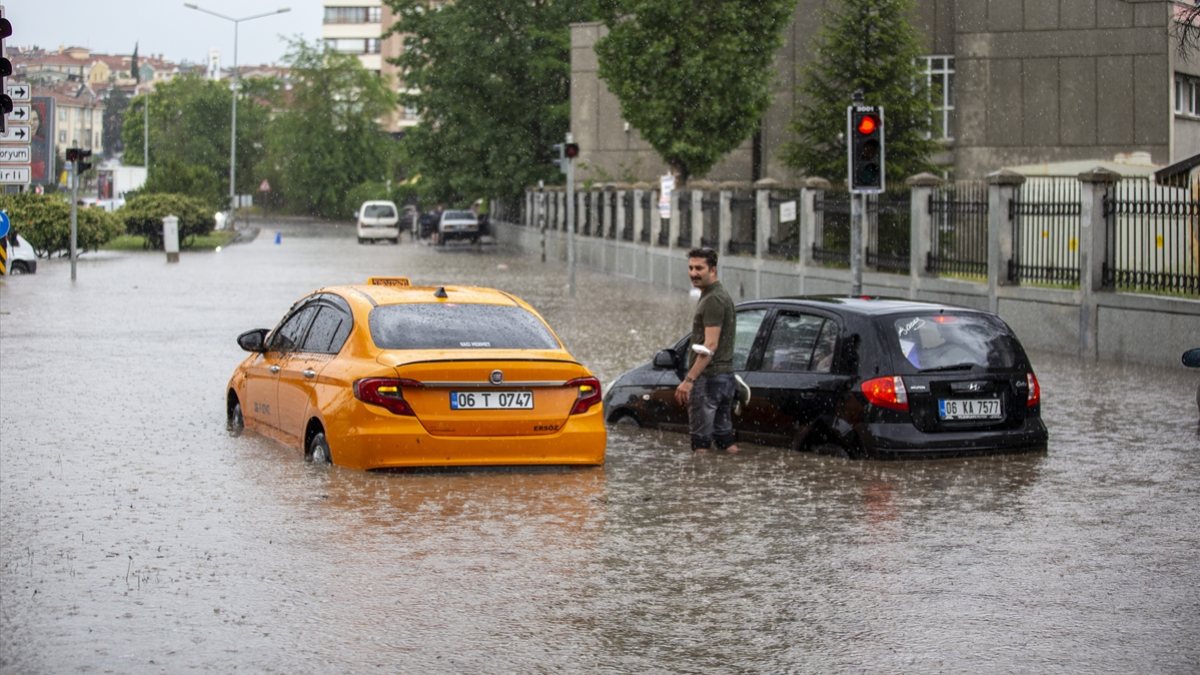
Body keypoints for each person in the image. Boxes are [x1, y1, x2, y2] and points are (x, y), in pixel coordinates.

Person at [674, 247, 739, 454]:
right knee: (725, 439)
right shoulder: (718, 295)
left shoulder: (713, 299)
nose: (693, 273)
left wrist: (689, 380)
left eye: (699, 268)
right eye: (691, 268)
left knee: (700, 444)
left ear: (713, 270)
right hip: (725, 377)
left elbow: (710, 345)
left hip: (708, 379)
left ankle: (700, 484)